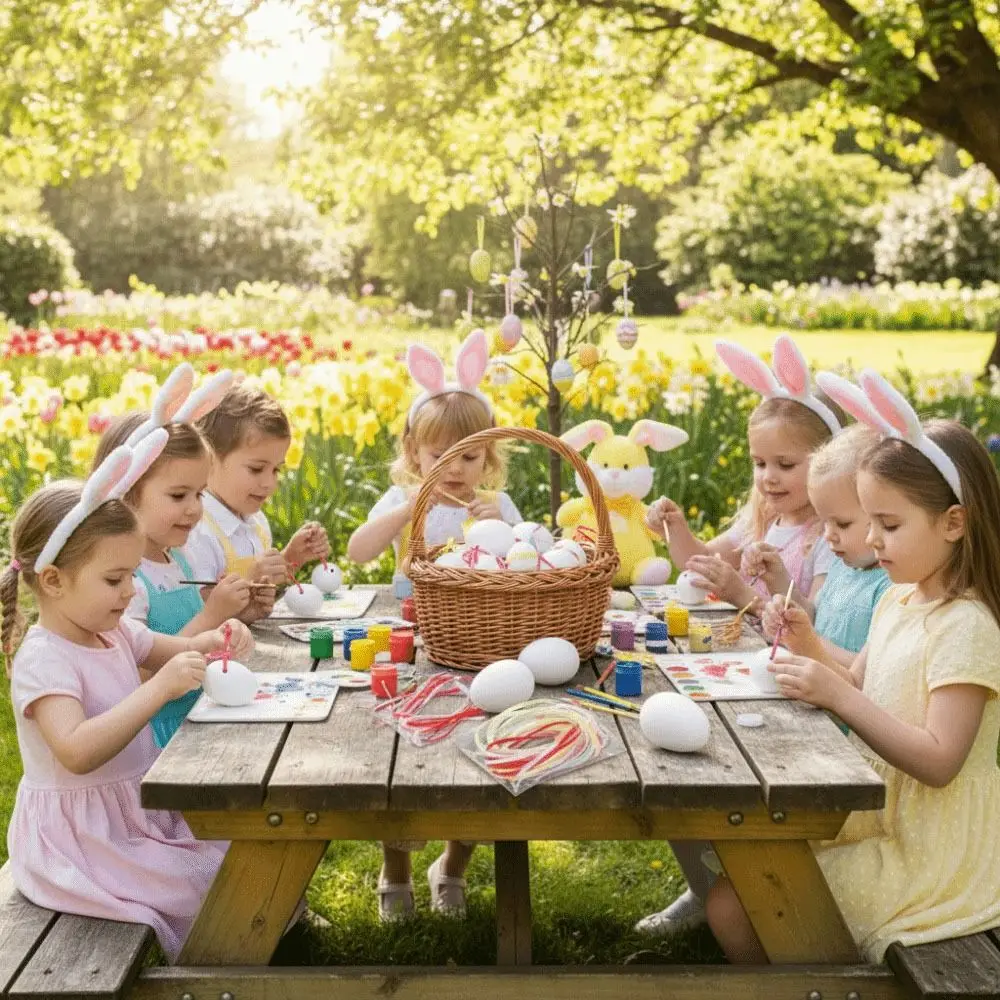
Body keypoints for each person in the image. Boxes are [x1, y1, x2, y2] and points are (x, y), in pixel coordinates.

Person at [707, 369, 1000, 963]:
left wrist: (837, 696)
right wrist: (808, 645)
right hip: (879, 816)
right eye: (870, 522)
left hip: (931, 856)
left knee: (737, 902)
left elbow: (940, 760)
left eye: (888, 525)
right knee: (741, 870)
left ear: (953, 523)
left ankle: (808, 978)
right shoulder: (901, 598)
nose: (875, 539)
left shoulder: (966, 626)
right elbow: (861, 683)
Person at [1, 448, 254, 962]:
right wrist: (157, 690)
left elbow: (180, 648)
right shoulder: (45, 658)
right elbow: (75, 750)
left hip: (134, 815)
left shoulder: (113, 632)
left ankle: (251, 942)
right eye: (114, 579)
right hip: (81, 839)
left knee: (241, 852)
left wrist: (215, 639)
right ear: (53, 581)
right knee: (203, 884)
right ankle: (221, 969)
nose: (129, 591)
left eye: (133, 575)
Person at [637, 335, 840, 938]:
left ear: (827, 463)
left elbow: (814, 624)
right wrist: (676, 528)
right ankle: (706, 888)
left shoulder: (831, 536)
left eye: (786, 465)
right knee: (671, 761)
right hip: (747, 671)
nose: (769, 477)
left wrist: (752, 590)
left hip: (791, 691)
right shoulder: (766, 519)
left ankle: (734, 888)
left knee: (706, 769)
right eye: (759, 463)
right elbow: (699, 561)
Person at [348, 330, 521, 921]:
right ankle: (394, 871)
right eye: (439, 456)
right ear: (414, 453)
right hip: (413, 640)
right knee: (401, 757)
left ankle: (452, 866)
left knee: (475, 752)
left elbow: (533, 561)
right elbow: (358, 551)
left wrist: (507, 526)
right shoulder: (403, 498)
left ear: (488, 458)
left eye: (469, 457)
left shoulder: (495, 507)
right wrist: (408, 507)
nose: (454, 468)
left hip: (477, 642)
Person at [92, 399, 255, 746]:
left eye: (199, 494)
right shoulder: (127, 582)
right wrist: (211, 616)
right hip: (159, 739)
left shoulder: (180, 559)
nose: (195, 509)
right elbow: (133, 677)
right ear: (126, 493)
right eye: (179, 495)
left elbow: (196, 644)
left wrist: (226, 631)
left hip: (200, 719)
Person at [186, 382, 330, 620]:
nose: (269, 483)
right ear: (209, 459)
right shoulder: (198, 530)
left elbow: (263, 593)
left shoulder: (256, 521)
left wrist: (289, 559)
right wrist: (249, 581)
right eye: (256, 469)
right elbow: (196, 608)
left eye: (276, 470)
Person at [761, 423, 891, 667]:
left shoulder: (889, 587)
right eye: (824, 522)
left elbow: (870, 672)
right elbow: (815, 619)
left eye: (842, 524)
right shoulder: (843, 567)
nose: (829, 535)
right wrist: (784, 596)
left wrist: (808, 644)